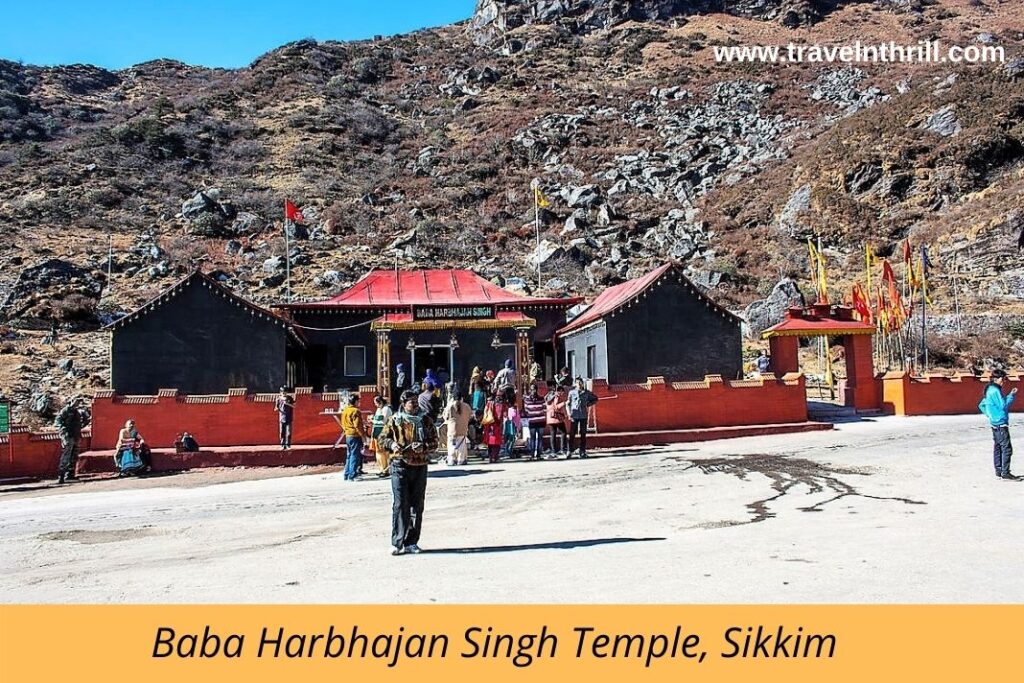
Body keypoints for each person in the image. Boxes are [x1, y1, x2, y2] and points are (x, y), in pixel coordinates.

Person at [377, 390, 439, 556]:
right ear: (403, 404)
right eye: (411, 402)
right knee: (400, 504)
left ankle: (412, 542)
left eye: (416, 402)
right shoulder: (395, 421)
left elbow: (435, 442)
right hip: (399, 465)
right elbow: (382, 439)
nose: (415, 405)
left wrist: (424, 447)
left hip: (419, 466)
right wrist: (392, 444)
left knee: (416, 505)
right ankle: (397, 542)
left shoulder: (425, 420)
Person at [979, 369, 1020, 481]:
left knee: (998, 447)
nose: (1004, 381)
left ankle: (999, 471)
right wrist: (1011, 395)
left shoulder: (989, 390)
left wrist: (990, 415)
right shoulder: (995, 391)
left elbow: (981, 405)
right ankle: (1005, 473)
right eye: (1003, 379)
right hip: (1000, 423)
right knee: (1006, 449)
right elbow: (1003, 405)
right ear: (996, 379)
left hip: (994, 424)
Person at [55, 397, 85, 484]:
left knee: (74, 455)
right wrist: (63, 429)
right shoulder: (65, 411)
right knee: (66, 455)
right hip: (68, 436)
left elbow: (83, 421)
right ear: (72, 401)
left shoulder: (78, 412)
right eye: (76, 401)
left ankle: (70, 474)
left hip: (76, 435)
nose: (77, 403)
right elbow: (58, 421)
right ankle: (61, 475)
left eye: (78, 402)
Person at [567, 378, 598, 459]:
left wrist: (587, 404)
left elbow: (595, 399)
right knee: (572, 434)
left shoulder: (586, 392)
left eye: (581, 383)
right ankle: (570, 450)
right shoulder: (572, 392)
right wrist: (569, 413)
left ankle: (582, 451)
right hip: (574, 415)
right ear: (575, 384)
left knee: (583, 434)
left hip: (583, 415)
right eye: (578, 383)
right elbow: (568, 403)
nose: (580, 385)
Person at [443, 388, 472, 466]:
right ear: (462, 397)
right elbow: (470, 416)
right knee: (461, 446)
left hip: (452, 431)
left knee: (451, 446)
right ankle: (461, 460)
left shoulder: (450, 406)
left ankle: (452, 459)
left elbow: (445, 417)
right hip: (463, 430)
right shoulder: (466, 406)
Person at [340, 393, 366, 481]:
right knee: (355, 455)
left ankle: (346, 474)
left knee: (349, 455)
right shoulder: (356, 411)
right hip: (355, 435)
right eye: (358, 401)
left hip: (348, 435)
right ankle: (352, 474)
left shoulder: (345, 410)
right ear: (356, 401)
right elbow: (358, 425)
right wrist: (363, 436)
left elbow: (342, 423)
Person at [369, 395, 394, 477]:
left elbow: (384, 421)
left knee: (385, 452)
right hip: (376, 433)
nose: (375, 405)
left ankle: (386, 469)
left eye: (376, 403)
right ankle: (381, 468)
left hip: (384, 433)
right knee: (378, 452)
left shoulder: (386, 409)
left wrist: (373, 420)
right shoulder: (379, 409)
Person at [481, 392, 508, 463]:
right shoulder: (502, 405)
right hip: (497, 426)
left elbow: (485, 412)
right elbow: (504, 415)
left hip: (489, 425)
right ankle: (495, 457)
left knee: (490, 442)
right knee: (497, 442)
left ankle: (491, 457)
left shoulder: (489, 403)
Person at [522, 384, 547, 460]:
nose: (533, 391)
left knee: (540, 439)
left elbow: (544, 408)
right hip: (532, 421)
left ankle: (539, 455)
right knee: (532, 438)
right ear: (530, 390)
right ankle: (532, 455)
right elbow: (526, 410)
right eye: (532, 389)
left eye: (534, 389)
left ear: (536, 390)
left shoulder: (541, 398)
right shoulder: (527, 399)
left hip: (540, 421)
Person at [545, 386, 569, 457]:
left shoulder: (549, 396)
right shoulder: (556, 396)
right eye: (562, 391)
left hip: (550, 417)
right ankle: (562, 448)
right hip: (557, 418)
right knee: (563, 432)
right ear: (559, 391)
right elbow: (556, 407)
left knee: (553, 434)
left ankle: (553, 450)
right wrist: (564, 403)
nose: (563, 393)